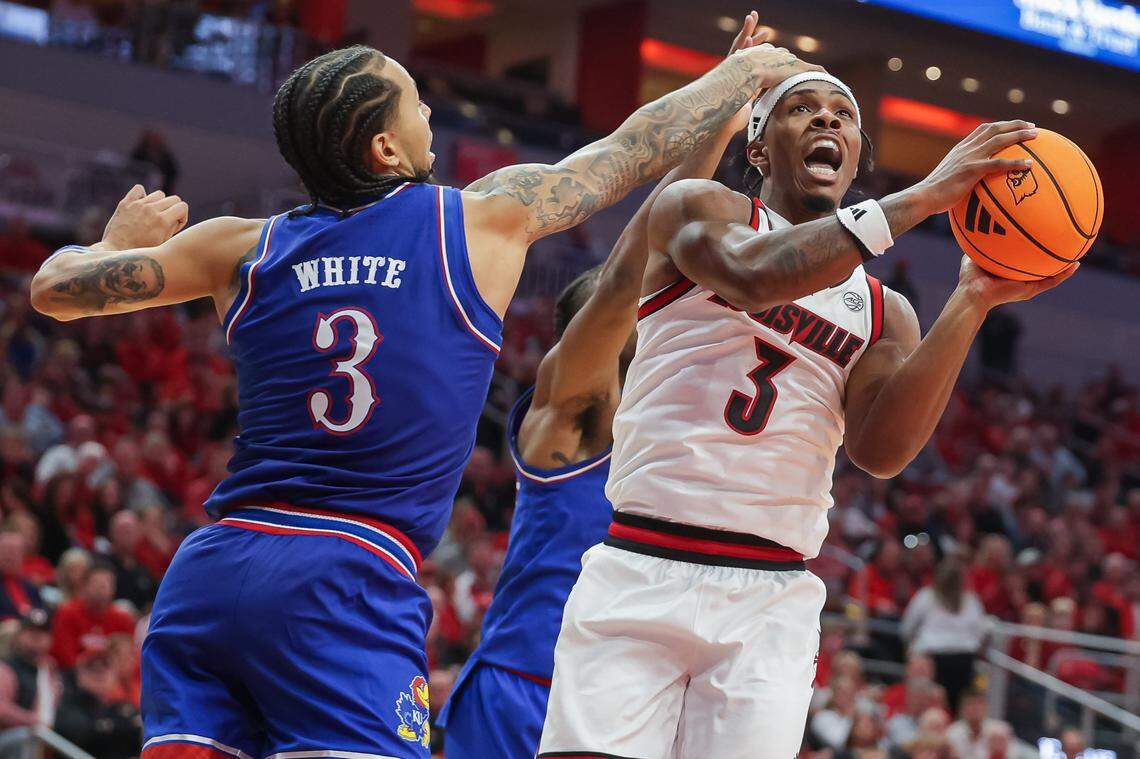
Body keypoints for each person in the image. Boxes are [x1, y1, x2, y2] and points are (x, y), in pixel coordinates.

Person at [31, 36, 818, 759]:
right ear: (384, 145)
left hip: (211, 572)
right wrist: (738, 77)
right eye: (415, 99)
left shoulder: (238, 246)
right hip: (347, 577)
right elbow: (628, 152)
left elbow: (55, 289)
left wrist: (116, 241)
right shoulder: (475, 220)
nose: (430, 111)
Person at [538, 64, 1077, 757]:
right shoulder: (699, 210)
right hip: (644, 563)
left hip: (770, 595)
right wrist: (922, 198)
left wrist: (971, 299)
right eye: (802, 110)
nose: (828, 120)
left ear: (855, 157)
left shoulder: (886, 311)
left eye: (843, 115)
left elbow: (880, 452)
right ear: (758, 148)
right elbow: (753, 276)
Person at [437, 17, 763, 757]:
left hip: (619, 702)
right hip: (523, 689)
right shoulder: (571, 414)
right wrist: (716, 112)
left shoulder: (658, 439)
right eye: (631, 318)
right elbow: (633, 270)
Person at [901, 559, 989, 711]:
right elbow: (981, 632)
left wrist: (912, 646)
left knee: (949, 704)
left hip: (950, 656)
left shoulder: (928, 596)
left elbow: (906, 628)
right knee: (942, 702)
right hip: (956, 659)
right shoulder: (968, 600)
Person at [50, 562, 135, 670]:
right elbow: (64, 655)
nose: (102, 588)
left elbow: (130, 658)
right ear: (84, 586)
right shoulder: (67, 613)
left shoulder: (123, 619)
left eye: (107, 583)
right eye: (97, 583)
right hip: (75, 677)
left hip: (113, 678)